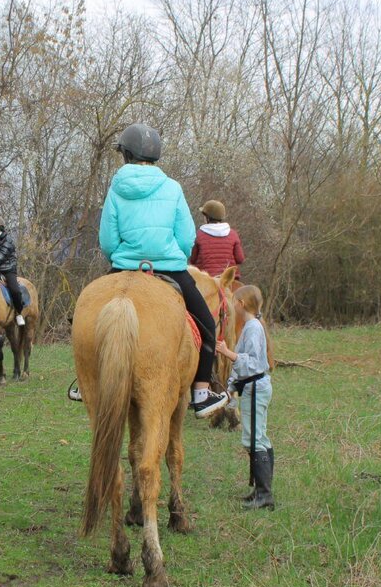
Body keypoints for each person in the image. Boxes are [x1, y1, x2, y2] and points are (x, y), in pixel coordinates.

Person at [97, 123, 228, 417]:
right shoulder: (172, 187)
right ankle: (201, 393)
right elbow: (186, 237)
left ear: (126, 155)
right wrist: (174, 259)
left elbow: (107, 239)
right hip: (171, 269)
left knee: (91, 315)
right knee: (207, 325)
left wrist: (120, 256)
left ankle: (86, 381)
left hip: (123, 268)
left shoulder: (116, 188)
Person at [216, 285, 274, 511]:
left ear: (240, 304)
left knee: (254, 440)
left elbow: (252, 364)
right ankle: (259, 490)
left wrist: (226, 352)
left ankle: (264, 495)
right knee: (259, 437)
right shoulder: (250, 327)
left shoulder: (253, 329)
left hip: (256, 389)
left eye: (233, 302)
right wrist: (230, 389)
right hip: (252, 387)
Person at [189, 199, 244, 280]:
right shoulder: (233, 234)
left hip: (207, 279)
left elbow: (192, 260)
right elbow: (240, 259)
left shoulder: (199, 235)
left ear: (207, 218)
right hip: (229, 279)